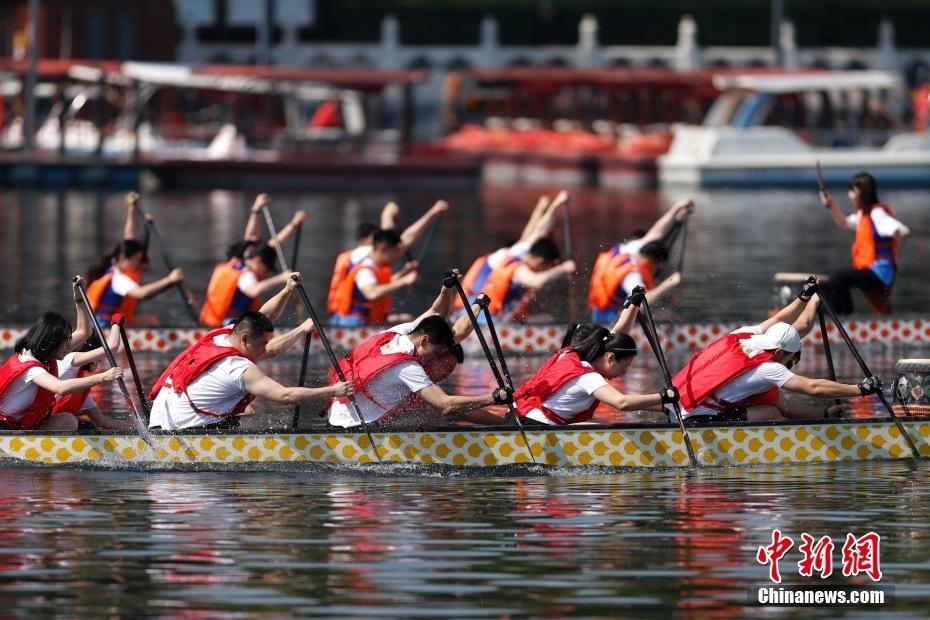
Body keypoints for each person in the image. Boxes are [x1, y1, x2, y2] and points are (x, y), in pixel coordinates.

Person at [671, 278, 882, 424]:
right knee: (768, 412)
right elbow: (814, 387)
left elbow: (786, 322)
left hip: (677, 407)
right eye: (791, 360)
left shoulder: (743, 336)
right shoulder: (768, 369)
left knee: (774, 404)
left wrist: (808, 297)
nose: (790, 364)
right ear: (782, 353)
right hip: (695, 419)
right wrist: (860, 389)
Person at [326, 280, 510, 429]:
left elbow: (436, 313)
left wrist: (450, 289)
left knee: (426, 408)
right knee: (431, 411)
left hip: (335, 418)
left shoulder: (395, 334)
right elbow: (447, 405)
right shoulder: (408, 368)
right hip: (355, 430)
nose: (447, 373)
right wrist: (493, 398)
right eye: (440, 357)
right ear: (423, 341)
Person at [149, 301, 353, 431]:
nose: (267, 348)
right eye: (263, 343)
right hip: (180, 429)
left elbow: (264, 315)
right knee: (255, 410)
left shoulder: (222, 334)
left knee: (250, 407)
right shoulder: (239, 368)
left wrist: (287, 290)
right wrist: (333, 390)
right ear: (245, 339)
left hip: (161, 416)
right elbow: (285, 396)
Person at [513, 298, 678, 426]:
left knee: (596, 423)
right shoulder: (588, 378)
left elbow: (613, 337)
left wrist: (632, 306)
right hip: (536, 429)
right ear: (610, 358)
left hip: (523, 418)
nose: (623, 373)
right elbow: (621, 402)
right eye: (625, 367)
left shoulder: (571, 356)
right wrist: (663, 396)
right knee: (600, 425)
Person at [0, 279, 124, 431]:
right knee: (69, 421)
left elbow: (84, 332)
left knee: (67, 420)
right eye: (65, 341)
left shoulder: (45, 354)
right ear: (52, 342)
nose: (69, 345)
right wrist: (103, 377)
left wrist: (78, 297)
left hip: (21, 425)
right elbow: (60, 387)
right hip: (5, 427)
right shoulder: (31, 367)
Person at [328, 199, 449, 325]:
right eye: (396, 252)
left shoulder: (375, 254)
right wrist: (404, 280)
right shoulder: (364, 268)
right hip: (351, 323)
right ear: (383, 249)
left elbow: (405, 238)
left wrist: (403, 273)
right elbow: (372, 293)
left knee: (406, 319)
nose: (398, 256)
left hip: (364, 320)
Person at [200, 194, 306, 327]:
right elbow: (253, 290)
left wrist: (293, 224)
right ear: (258, 261)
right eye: (266, 269)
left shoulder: (239, 260)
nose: (264, 273)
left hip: (210, 322)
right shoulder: (246, 275)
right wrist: (281, 278)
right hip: (227, 325)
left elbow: (259, 240)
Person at [87, 192, 186, 327]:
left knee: (151, 320)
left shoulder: (115, 266)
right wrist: (170, 280)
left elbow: (129, 238)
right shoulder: (119, 280)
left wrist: (131, 209)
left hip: (105, 323)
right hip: (105, 329)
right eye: (136, 260)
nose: (139, 264)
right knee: (151, 321)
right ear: (123, 258)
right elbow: (141, 294)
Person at [588, 198, 694, 324]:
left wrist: (676, 208)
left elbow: (657, 232)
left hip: (598, 313)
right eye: (658, 266)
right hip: (609, 322)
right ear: (654, 262)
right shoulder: (632, 276)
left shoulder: (629, 249)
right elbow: (644, 302)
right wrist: (669, 284)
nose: (656, 270)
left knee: (660, 312)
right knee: (667, 315)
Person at [456, 191, 569, 307]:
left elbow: (534, 228)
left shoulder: (519, 252)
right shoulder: (518, 259)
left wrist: (542, 208)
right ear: (540, 260)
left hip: (483, 284)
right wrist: (556, 204)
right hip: (478, 287)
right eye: (545, 267)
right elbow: (540, 230)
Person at [819, 172, 910, 315]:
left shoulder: (877, 213)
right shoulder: (863, 214)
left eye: (852, 191)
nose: (849, 195)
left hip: (880, 274)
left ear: (863, 192)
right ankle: (833, 315)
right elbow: (844, 223)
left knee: (838, 277)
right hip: (868, 270)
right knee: (825, 277)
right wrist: (830, 205)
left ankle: (847, 319)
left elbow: (903, 231)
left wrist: (896, 259)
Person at [51, 323, 134, 431]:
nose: (99, 362)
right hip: (38, 428)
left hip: (53, 425)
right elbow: (112, 347)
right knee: (70, 420)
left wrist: (136, 427)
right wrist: (116, 323)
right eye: (98, 358)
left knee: (89, 426)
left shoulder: (80, 389)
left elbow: (103, 422)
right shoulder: (68, 360)